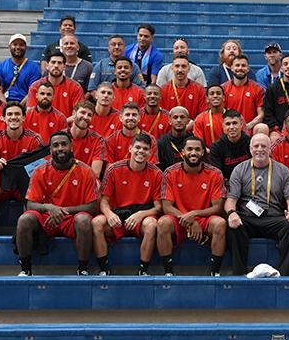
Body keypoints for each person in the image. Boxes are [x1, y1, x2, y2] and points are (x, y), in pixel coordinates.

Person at [15, 130, 99, 276]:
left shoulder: (86, 171)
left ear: (71, 147)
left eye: (64, 144)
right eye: (56, 145)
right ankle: (25, 269)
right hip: (48, 217)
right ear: (50, 149)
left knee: (84, 220)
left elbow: (93, 206)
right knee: (25, 219)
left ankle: (83, 268)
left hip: (72, 217)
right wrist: (49, 207)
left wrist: (60, 210)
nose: (60, 148)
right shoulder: (40, 171)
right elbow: (30, 204)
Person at [226, 134, 289, 276]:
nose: (260, 149)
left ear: (270, 149)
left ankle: (284, 275)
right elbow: (231, 199)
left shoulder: (282, 170)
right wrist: (232, 213)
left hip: (273, 217)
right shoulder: (239, 169)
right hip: (247, 217)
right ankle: (239, 274)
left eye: (264, 146)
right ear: (250, 149)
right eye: (256, 146)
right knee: (233, 226)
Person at [91, 133, 164, 276]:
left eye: (145, 149)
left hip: (140, 215)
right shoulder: (114, 169)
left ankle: (143, 271)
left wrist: (141, 214)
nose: (141, 151)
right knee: (96, 222)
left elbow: (158, 207)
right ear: (130, 148)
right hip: (117, 214)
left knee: (152, 225)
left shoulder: (156, 173)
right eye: (137, 147)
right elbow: (104, 200)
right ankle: (104, 270)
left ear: (150, 152)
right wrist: (109, 214)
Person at [158, 137, 227, 276]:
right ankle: (168, 272)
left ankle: (215, 272)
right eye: (189, 149)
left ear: (203, 152)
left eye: (197, 149)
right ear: (182, 152)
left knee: (220, 223)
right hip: (179, 217)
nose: (193, 152)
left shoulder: (215, 173)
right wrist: (190, 220)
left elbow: (218, 207)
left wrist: (194, 214)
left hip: (203, 217)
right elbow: (166, 207)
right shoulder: (170, 172)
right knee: (162, 223)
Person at [0, 102, 44, 236]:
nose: (13, 117)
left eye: (17, 114)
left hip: (22, 186)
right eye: (10, 114)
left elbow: (38, 172)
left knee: (33, 188)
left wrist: (6, 183)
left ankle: (29, 233)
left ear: (24, 117)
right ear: (3, 118)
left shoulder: (35, 140)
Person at [26, 50, 84, 118]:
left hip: (66, 127)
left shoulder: (75, 87)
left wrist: (61, 124)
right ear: (47, 65)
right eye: (53, 62)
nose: (56, 66)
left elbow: (77, 114)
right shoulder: (35, 86)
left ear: (64, 66)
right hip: (40, 127)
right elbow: (30, 113)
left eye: (59, 63)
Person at [263, 54, 289, 140]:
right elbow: (268, 114)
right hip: (279, 128)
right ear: (281, 68)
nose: (288, 67)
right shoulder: (272, 88)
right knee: (275, 139)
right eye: (285, 64)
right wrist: (277, 129)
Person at [222, 54, 265, 133]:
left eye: (243, 65)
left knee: (262, 127)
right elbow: (220, 113)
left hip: (250, 129)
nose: (240, 68)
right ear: (231, 68)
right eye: (237, 65)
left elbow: (261, 114)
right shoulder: (223, 88)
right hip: (230, 130)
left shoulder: (258, 89)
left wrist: (247, 126)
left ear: (248, 68)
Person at [0, 33, 41, 103]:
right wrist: (6, 106)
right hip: (5, 103)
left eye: (21, 45)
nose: (18, 47)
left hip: (26, 104)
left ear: (26, 47)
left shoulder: (34, 67)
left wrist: (20, 106)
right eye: (15, 44)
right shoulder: (1, 66)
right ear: (9, 46)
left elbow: (33, 91)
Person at [208, 110, 252, 180]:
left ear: (241, 124)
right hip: (227, 184)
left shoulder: (251, 143)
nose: (231, 127)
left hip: (249, 181)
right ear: (223, 126)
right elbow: (217, 174)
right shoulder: (216, 147)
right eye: (228, 124)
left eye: (234, 123)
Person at [160, 55, 207, 119]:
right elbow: (161, 115)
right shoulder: (163, 90)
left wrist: (192, 124)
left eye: (183, 66)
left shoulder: (199, 90)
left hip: (193, 127)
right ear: (172, 68)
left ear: (188, 69)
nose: (180, 70)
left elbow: (203, 114)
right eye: (177, 66)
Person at [68, 101, 105, 178]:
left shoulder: (98, 140)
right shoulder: (60, 136)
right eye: (82, 112)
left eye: (89, 115)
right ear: (74, 113)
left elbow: (95, 174)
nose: (85, 117)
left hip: (85, 182)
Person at [157, 106, 194, 171]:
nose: (179, 120)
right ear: (170, 121)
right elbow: (159, 168)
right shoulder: (162, 142)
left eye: (182, 117)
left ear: (188, 121)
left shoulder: (194, 141)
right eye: (175, 117)